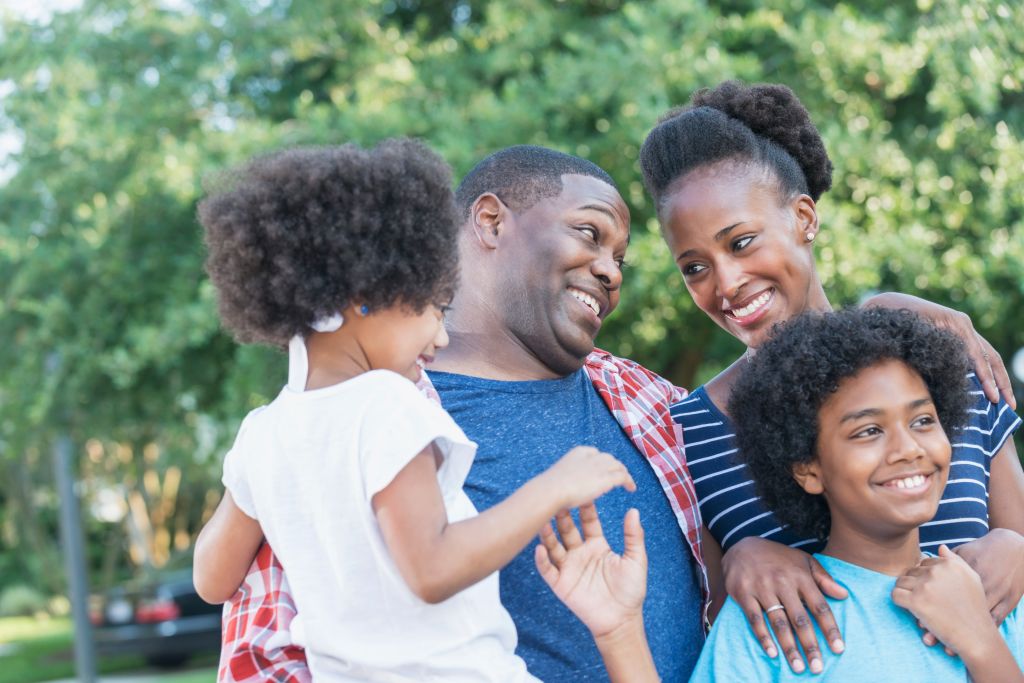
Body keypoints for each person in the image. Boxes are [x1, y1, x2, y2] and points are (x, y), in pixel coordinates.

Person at [208, 144, 711, 683]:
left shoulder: (646, 398)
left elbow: (212, 577)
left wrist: (754, 549)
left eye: (620, 259)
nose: (611, 271)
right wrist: (554, 487)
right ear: (491, 221)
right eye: (589, 233)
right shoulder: (384, 409)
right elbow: (262, 647)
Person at [639, 80, 1024, 674]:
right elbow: (712, 628)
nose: (727, 282)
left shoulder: (943, 362)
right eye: (695, 268)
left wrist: (1017, 548)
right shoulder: (687, 437)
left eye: (742, 243)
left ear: (803, 217)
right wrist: (739, 556)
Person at [691, 307, 1024, 680]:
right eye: (868, 431)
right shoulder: (770, 622)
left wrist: (980, 641)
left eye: (923, 421)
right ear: (808, 469)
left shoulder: (1000, 596)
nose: (908, 448)